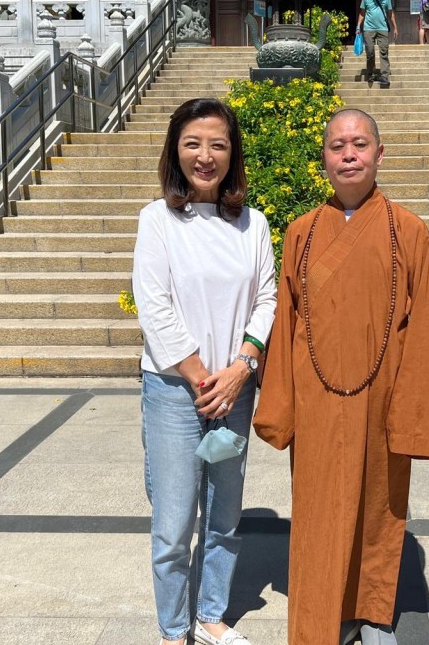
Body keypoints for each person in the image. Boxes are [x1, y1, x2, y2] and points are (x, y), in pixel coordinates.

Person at [253, 108, 429, 645]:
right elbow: (286, 321)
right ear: (324, 159)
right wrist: (282, 405)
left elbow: (425, 325)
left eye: (359, 144)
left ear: (379, 155)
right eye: (337, 146)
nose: (348, 154)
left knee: (378, 505)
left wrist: (412, 414)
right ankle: (320, 616)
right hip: (316, 398)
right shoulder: (301, 233)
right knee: (317, 512)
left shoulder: (409, 231)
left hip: (382, 396)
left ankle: (371, 612)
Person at [133, 97, 277, 645]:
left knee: (225, 517)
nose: (205, 155)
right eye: (193, 143)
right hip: (175, 392)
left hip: (234, 391)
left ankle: (211, 615)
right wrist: (201, 378)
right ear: (176, 149)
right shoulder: (158, 220)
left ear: (232, 153)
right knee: (173, 526)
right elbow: (155, 306)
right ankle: (173, 630)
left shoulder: (253, 224)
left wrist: (241, 367)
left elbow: (266, 298)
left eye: (218, 144)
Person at [355, 0, 399, 88]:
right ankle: (371, 73)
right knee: (370, 52)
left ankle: (384, 76)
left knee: (384, 52)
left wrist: (395, 27)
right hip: (368, 28)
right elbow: (362, 13)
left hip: (383, 28)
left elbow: (390, 13)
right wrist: (358, 27)